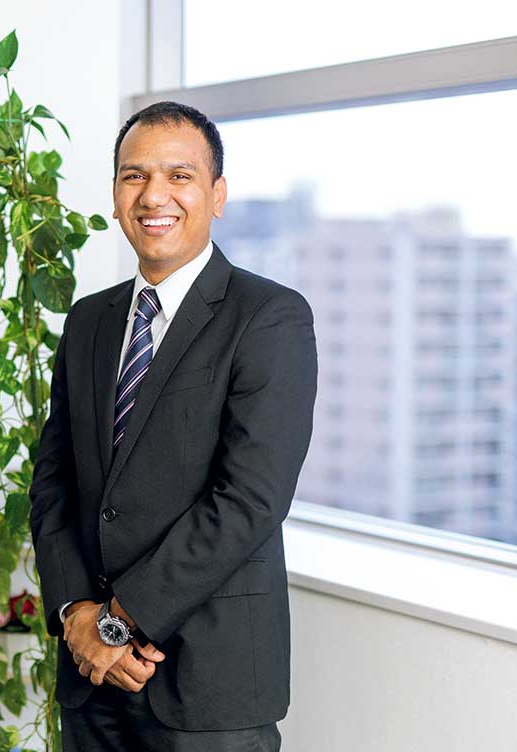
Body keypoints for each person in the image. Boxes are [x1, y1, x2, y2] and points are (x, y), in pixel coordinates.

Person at [29, 100, 318, 751]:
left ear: (217, 195)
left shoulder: (268, 317)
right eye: (134, 175)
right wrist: (76, 613)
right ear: (115, 195)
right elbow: (54, 482)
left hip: (207, 687)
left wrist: (118, 624)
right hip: (91, 681)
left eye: (179, 176)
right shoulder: (89, 321)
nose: (153, 195)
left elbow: (250, 498)